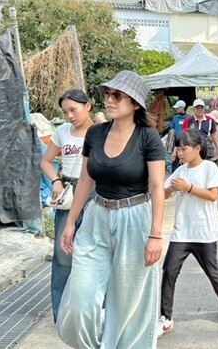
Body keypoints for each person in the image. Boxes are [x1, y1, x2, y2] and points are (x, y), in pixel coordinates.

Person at [56, 70, 165, 348]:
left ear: (135, 103)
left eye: (118, 95)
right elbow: (85, 180)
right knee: (81, 302)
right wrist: (70, 222)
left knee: (129, 303)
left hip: (135, 219)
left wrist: (155, 235)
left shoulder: (148, 138)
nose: (109, 100)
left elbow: (157, 187)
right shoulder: (95, 133)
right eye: (107, 94)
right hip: (96, 217)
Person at [157, 129, 218, 337]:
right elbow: (164, 194)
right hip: (182, 231)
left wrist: (188, 187)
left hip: (204, 230)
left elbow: (213, 195)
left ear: (197, 148)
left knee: (211, 269)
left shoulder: (209, 168)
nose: (180, 153)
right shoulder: (180, 171)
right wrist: (171, 189)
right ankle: (165, 318)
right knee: (169, 271)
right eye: (178, 149)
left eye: (184, 149)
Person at [40, 88, 94, 323]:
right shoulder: (62, 132)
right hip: (69, 194)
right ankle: (61, 315)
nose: (70, 116)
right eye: (65, 112)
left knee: (94, 253)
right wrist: (55, 181)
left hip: (95, 194)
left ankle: (93, 312)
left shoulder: (101, 131)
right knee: (63, 255)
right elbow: (46, 161)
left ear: (88, 106)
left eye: (74, 109)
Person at [182, 99, 218, 168]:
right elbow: (183, 136)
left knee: (206, 167)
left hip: (206, 148)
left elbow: (214, 134)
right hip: (192, 147)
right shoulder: (188, 120)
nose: (199, 110)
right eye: (197, 108)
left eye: (201, 108)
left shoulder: (210, 120)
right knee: (194, 167)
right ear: (194, 109)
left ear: (204, 108)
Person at [169, 100, 187, 172]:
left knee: (184, 161)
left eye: (177, 108)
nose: (176, 109)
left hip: (185, 142)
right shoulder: (175, 118)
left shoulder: (189, 118)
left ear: (182, 108)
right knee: (174, 161)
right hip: (176, 141)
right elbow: (172, 130)